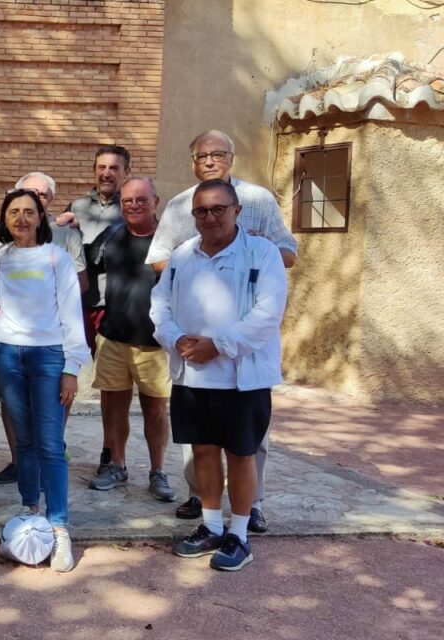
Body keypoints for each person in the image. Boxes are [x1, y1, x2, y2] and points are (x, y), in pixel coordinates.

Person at [146, 130, 298, 532]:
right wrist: (176, 339)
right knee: (203, 451)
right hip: (193, 373)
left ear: (237, 210)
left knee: (244, 453)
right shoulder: (183, 254)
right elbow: (160, 302)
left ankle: (241, 531)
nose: (210, 217)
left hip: (242, 375)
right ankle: (211, 525)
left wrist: (220, 344)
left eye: (219, 210)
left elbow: (268, 312)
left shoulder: (261, 251)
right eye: (202, 212)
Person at [0, 188, 90, 572]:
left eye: (29, 212)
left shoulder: (56, 257)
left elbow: (72, 314)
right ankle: (31, 513)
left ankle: (60, 528)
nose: (21, 219)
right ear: (4, 219)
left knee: (50, 443)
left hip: (48, 357)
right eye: (13, 212)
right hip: (7, 356)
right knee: (24, 441)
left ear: (40, 218)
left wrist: (71, 368)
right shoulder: (1, 258)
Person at [87, 177, 174, 502]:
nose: (133, 205)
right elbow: (86, 268)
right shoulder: (112, 236)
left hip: (153, 344)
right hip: (112, 338)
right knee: (112, 408)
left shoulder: (169, 243)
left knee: (155, 411)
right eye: (127, 201)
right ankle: (116, 465)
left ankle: (158, 471)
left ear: (156, 201)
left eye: (140, 200)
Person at [60, 145, 129, 361]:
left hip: (113, 305)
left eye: (114, 168)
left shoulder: (132, 207)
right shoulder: (76, 206)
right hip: (76, 302)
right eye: (101, 167)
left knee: (110, 372)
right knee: (68, 364)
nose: (106, 173)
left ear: (126, 172)